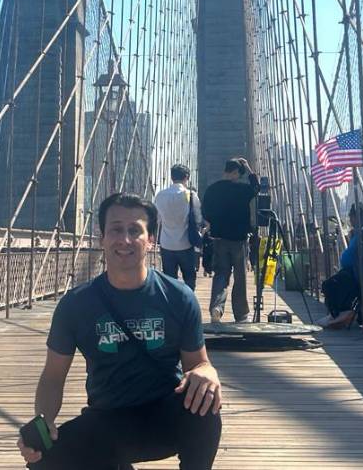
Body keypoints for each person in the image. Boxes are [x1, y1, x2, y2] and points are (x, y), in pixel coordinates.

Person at [17, 192, 222, 470]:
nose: (124, 240)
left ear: (151, 240)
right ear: (101, 238)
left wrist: (207, 371)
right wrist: (44, 423)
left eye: (135, 230)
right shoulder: (75, 305)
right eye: (115, 229)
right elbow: (53, 377)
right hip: (107, 419)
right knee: (42, 457)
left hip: (165, 415)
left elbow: (197, 363)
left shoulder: (178, 297)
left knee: (206, 406)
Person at [202, 157, 259, 323]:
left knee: (221, 274)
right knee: (240, 277)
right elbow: (256, 188)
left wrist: (214, 224)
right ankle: (241, 314)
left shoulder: (212, 189)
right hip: (239, 240)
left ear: (225, 171)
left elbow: (205, 212)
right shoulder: (242, 189)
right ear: (235, 173)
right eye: (239, 174)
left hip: (219, 239)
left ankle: (217, 307)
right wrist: (248, 168)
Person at [320, 203, 363, 329]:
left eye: (351, 216)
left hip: (358, 276)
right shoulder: (360, 232)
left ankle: (342, 313)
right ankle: (337, 314)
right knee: (330, 284)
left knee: (330, 285)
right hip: (351, 272)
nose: (350, 219)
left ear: (358, 217)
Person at [154, 165, 203, 291]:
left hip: (166, 243)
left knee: (169, 280)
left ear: (171, 177)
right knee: (189, 278)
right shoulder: (190, 195)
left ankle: (172, 301)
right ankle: (188, 299)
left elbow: (157, 219)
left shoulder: (160, 195)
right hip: (186, 243)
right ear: (187, 177)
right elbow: (198, 218)